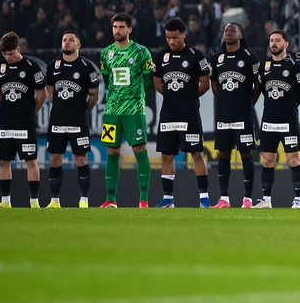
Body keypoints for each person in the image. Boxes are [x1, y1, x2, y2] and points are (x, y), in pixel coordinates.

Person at [151, 17, 212, 208]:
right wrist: (172, 97)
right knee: (167, 155)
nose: (171, 41)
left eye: (175, 38)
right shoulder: (160, 57)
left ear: (184, 35)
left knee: (196, 153)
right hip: (168, 113)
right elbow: (157, 83)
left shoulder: (196, 55)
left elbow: (205, 84)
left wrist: (188, 97)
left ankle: (204, 198)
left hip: (189, 113)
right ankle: (168, 199)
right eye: (168, 37)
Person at [98, 13, 155, 208]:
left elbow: (149, 82)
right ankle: (111, 199)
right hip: (112, 110)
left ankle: (144, 199)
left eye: (121, 27)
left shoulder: (141, 52)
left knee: (139, 149)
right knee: (112, 151)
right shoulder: (106, 53)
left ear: (129, 29)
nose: (117, 31)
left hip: (134, 110)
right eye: (114, 27)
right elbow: (107, 80)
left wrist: (134, 97)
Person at [253, 29, 300, 208]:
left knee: (293, 159)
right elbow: (262, 88)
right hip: (268, 119)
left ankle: (298, 200)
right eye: (271, 41)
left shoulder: (294, 66)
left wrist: (290, 104)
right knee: (268, 160)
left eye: (278, 40)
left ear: (286, 44)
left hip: (288, 120)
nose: (274, 44)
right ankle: (266, 200)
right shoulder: (263, 66)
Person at [44, 31, 100, 208]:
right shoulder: (53, 67)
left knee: (81, 159)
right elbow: (51, 94)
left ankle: (84, 199)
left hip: (78, 121)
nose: (66, 43)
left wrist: (83, 112)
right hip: (58, 120)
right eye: (64, 40)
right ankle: (54, 200)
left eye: (71, 40)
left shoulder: (87, 68)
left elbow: (93, 97)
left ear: (78, 45)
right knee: (54, 158)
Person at [209, 22, 261, 209]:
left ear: (240, 35)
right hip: (223, 115)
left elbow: (258, 85)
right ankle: (224, 199)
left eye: (232, 30)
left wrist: (248, 103)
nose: (228, 33)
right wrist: (223, 99)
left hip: (243, 115)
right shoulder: (216, 59)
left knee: (246, 154)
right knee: (223, 154)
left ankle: (247, 199)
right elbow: (214, 83)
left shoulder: (250, 57)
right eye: (225, 30)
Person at [0, 32, 46, 208]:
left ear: (18, 49)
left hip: (25, 122)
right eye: (5, 54)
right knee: (3, 160)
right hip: (6, 122)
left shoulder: (32, 66)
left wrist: (31, 112)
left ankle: (34, 201)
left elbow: (42, 94)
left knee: (30, 160)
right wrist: (8, 106)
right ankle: (5, 201)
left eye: (11, 53)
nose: (8, 57)